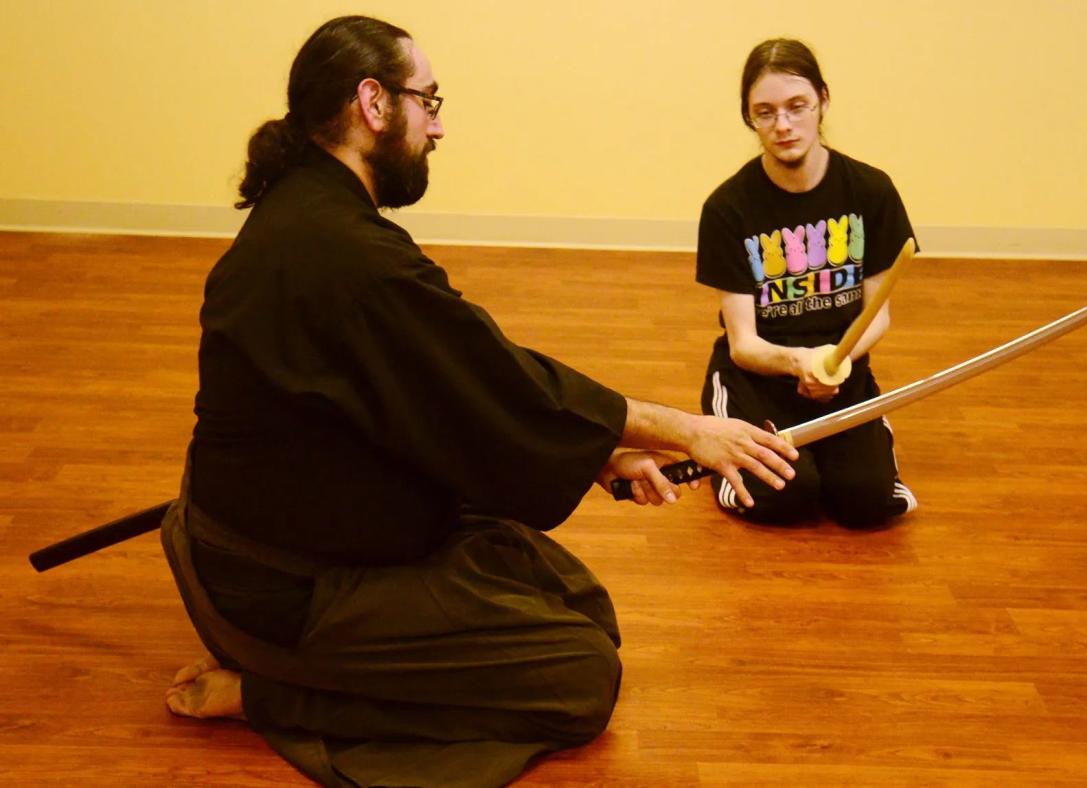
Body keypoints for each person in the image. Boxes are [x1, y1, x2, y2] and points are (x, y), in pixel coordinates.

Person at [159, 15, 798, 788]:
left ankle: (319, 672)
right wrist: (689, 431)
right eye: (428, 101)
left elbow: (448, 383)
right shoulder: (345, 255)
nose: (437, 126)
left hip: (307, 538)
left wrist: (596, 448)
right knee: (577, 679)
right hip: (284, 593)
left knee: (576, 601)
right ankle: (272, 695)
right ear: (373, 102)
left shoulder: (310, 213)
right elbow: (487, 379)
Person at [696, 38, 918, 527]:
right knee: (786, 500)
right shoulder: (727, 209)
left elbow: (877, 313)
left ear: (823, 100)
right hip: (757, 380)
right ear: (748, 118)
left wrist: (834, 364)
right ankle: (724, 444)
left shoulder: (871, 191)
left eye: (798, 107)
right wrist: (800, 362)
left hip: (842, 372)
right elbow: (743, 345)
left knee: (868, 503)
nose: (783, 125)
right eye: (765, 112)